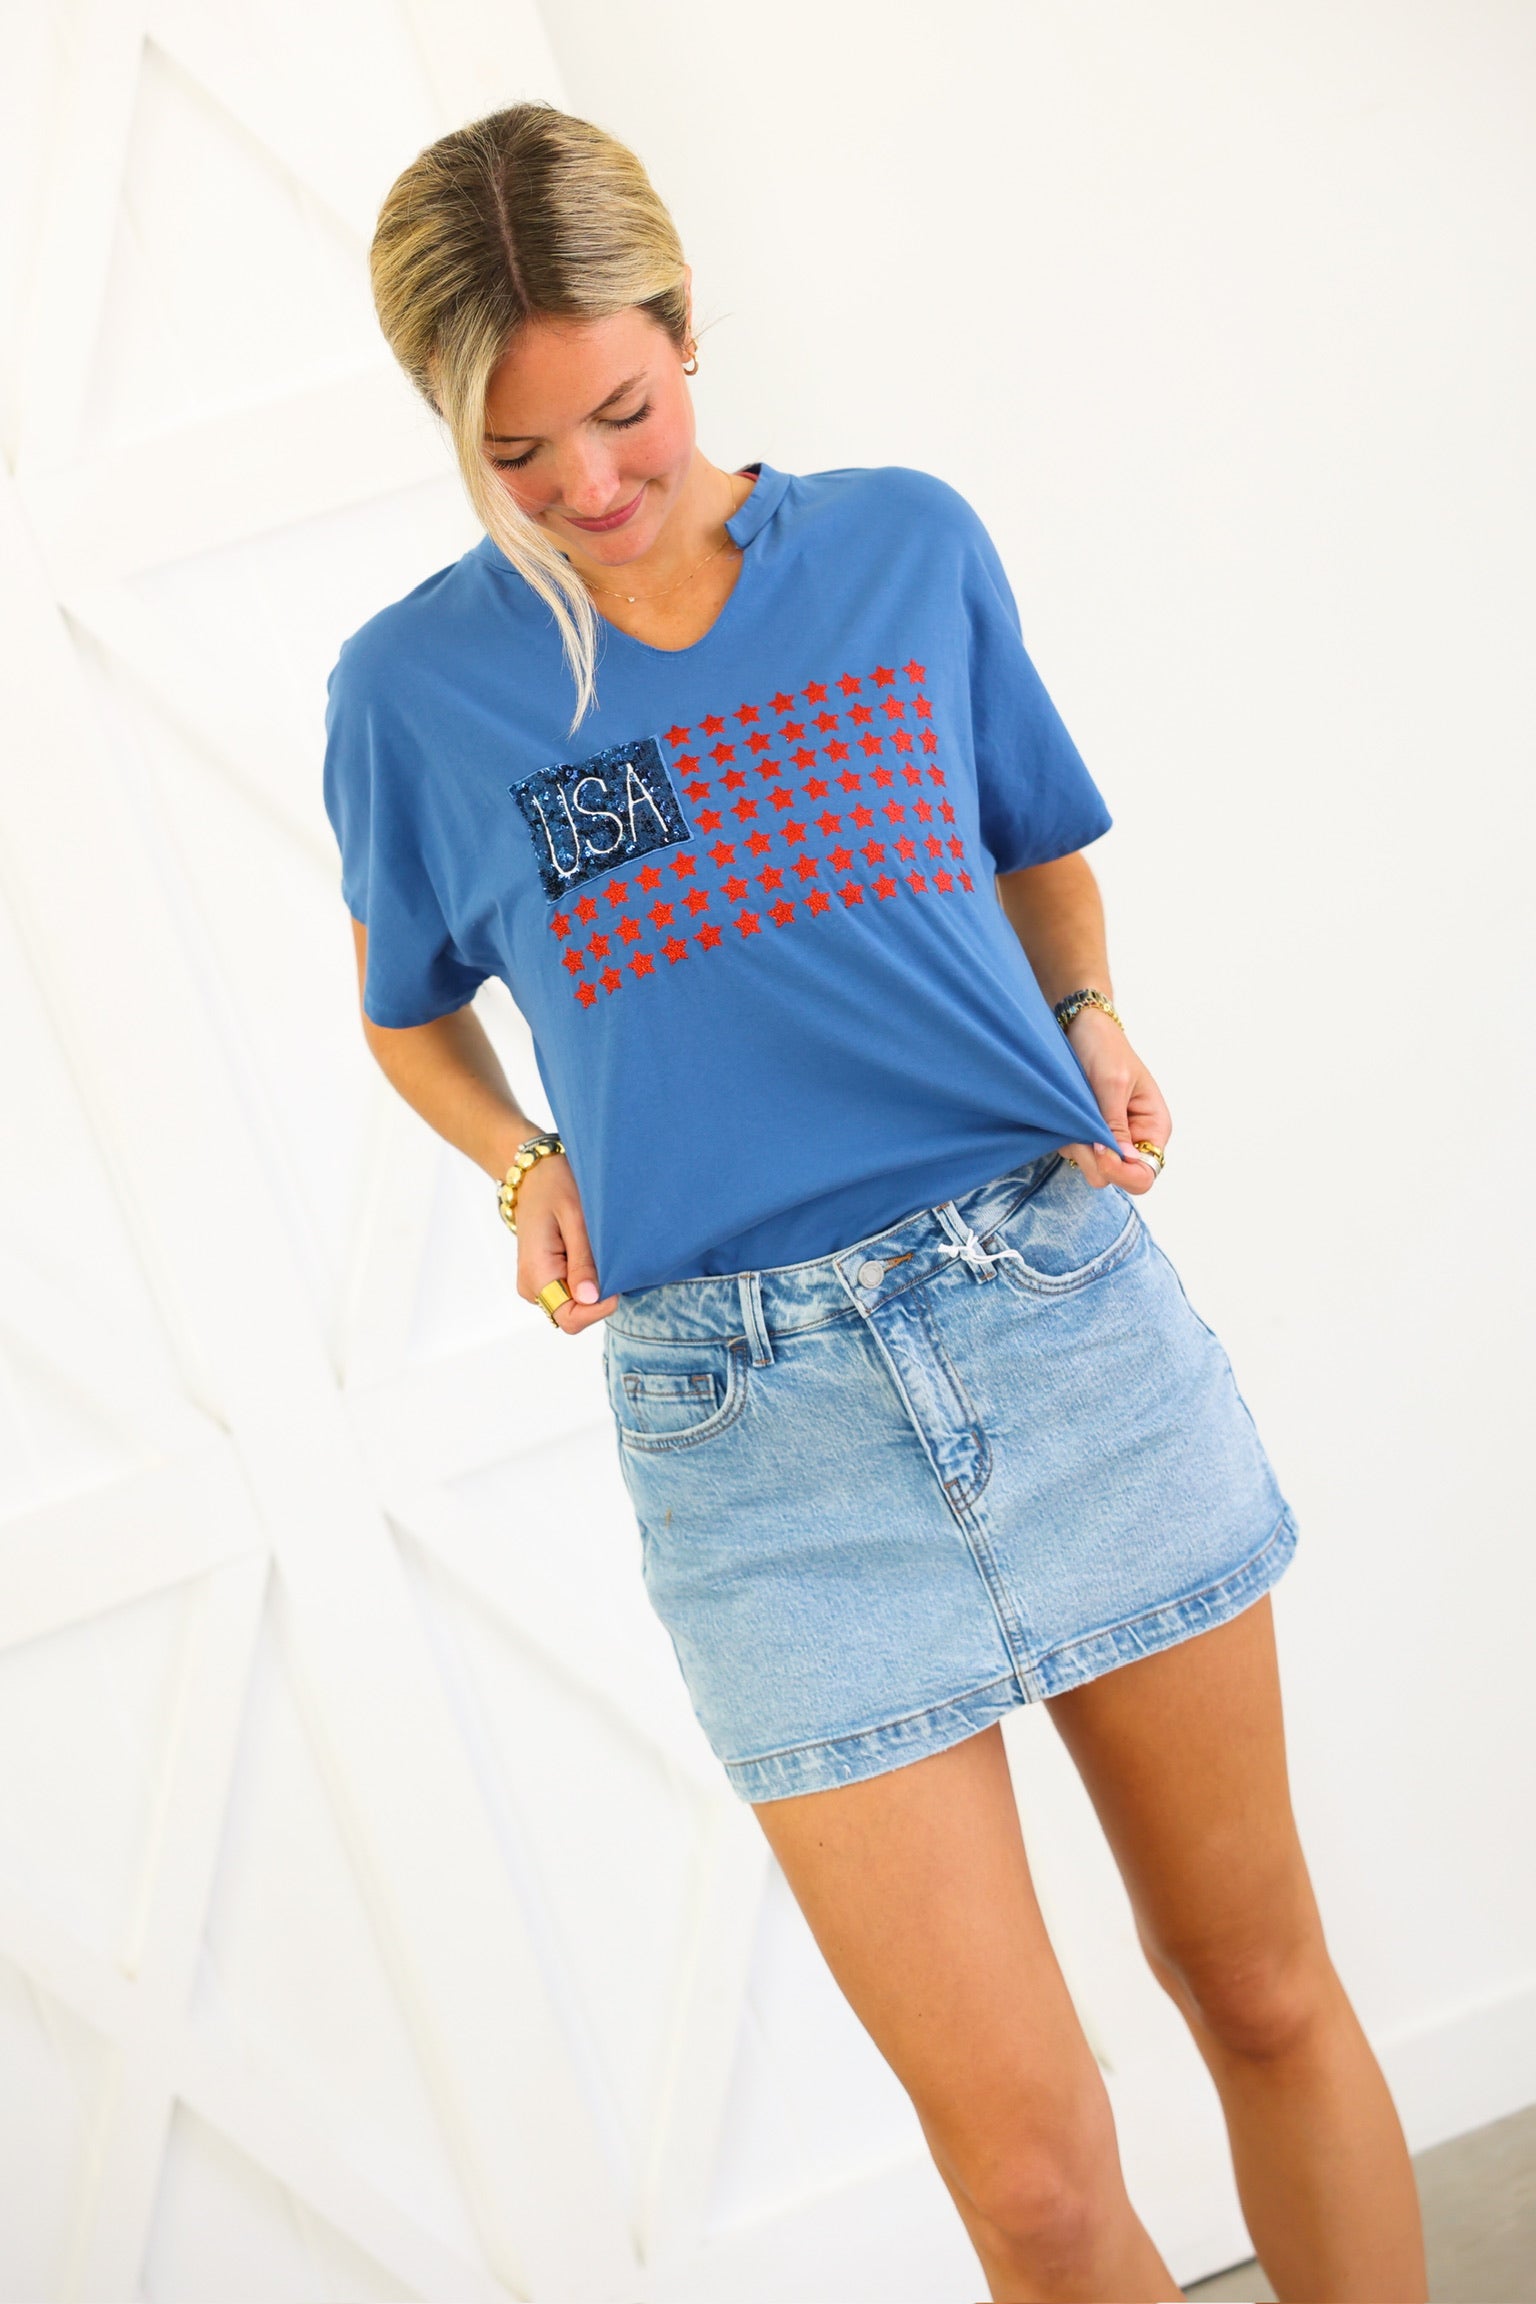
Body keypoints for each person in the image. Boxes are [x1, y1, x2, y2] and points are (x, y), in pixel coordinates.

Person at [322, 100, 1426, 2304]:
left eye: (620, 413)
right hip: (755, 1444)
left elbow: (1040, 850)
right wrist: (526, 1159)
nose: (588, 485)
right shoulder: (415, 694)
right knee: (1033, 2185)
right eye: (515, 453)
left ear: (686, 331)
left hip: (1057, 1310)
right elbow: (404, 1015)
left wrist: (1086, 1008)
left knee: (1261, 1986)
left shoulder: (908, 547)